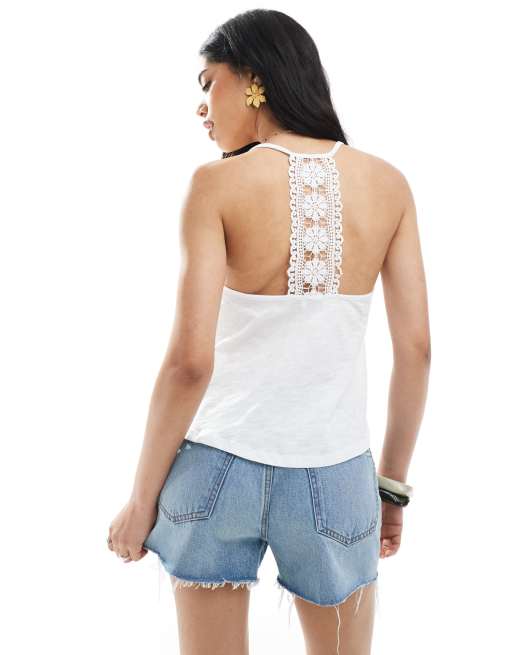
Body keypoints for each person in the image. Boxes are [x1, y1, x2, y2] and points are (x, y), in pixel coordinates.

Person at [107, 9, 431, 655]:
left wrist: (141, 501)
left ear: (252, 78)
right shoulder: (387, 184)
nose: (201, 107)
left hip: (214, 469)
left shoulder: (216, 185)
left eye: (209, 83)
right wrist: (391, 487)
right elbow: (416, 350)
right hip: (336, 474)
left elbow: (188, 364)